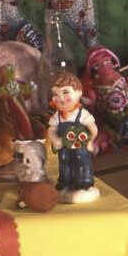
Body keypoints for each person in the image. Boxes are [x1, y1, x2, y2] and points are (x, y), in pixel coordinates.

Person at [48, 73, 102, 203]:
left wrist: (90, 141)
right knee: (64, 164)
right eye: (55, 94)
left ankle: (83, 183)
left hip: (79, 147)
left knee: (82, 164)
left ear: (78, 93)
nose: (60, 97)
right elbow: (51, 129)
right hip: (64, 148)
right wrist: (55, 140)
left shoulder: (82, 114)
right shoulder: (57, 116)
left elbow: (93, 128)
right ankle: (65, 182)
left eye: (65, 92)